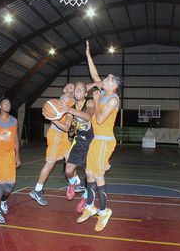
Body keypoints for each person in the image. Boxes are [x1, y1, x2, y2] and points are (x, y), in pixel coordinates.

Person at [77, 40, 121, 232]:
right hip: (97, 140)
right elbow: (94, 75)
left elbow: (101, 120)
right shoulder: (104, 91)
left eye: (109, 78)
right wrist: (88, 54)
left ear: (115, 85)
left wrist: (94, 100)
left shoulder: (112, 99)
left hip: (105, 141)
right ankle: (89, 207)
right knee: (88, 174)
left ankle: (104, 211)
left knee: (98, 176)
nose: (105, 78)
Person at [29, 83, 85, 206]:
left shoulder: (71, 104)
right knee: (50, 163)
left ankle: (77, 182)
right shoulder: (62, 100)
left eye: (74, 87)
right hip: (56, 135)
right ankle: (37, 190)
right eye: (71, 87)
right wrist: (95, 84)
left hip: (63, 136)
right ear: (64, 90)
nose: (73, 89)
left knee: (70, 158)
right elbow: (76, 91)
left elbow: (68, 126)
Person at [54, 82, 96, 213]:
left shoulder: (89, 103)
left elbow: (88, 117)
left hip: (92, 141)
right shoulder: (70, 108)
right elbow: (67, 127)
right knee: (68, 170)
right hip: (78, 141)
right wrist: (53, 120)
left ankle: (85, 197)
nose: (78, 90)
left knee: (90, 175)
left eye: (81, 89)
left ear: (85, 93)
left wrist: (69, 110)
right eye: (76, 89)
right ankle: (72, 183)